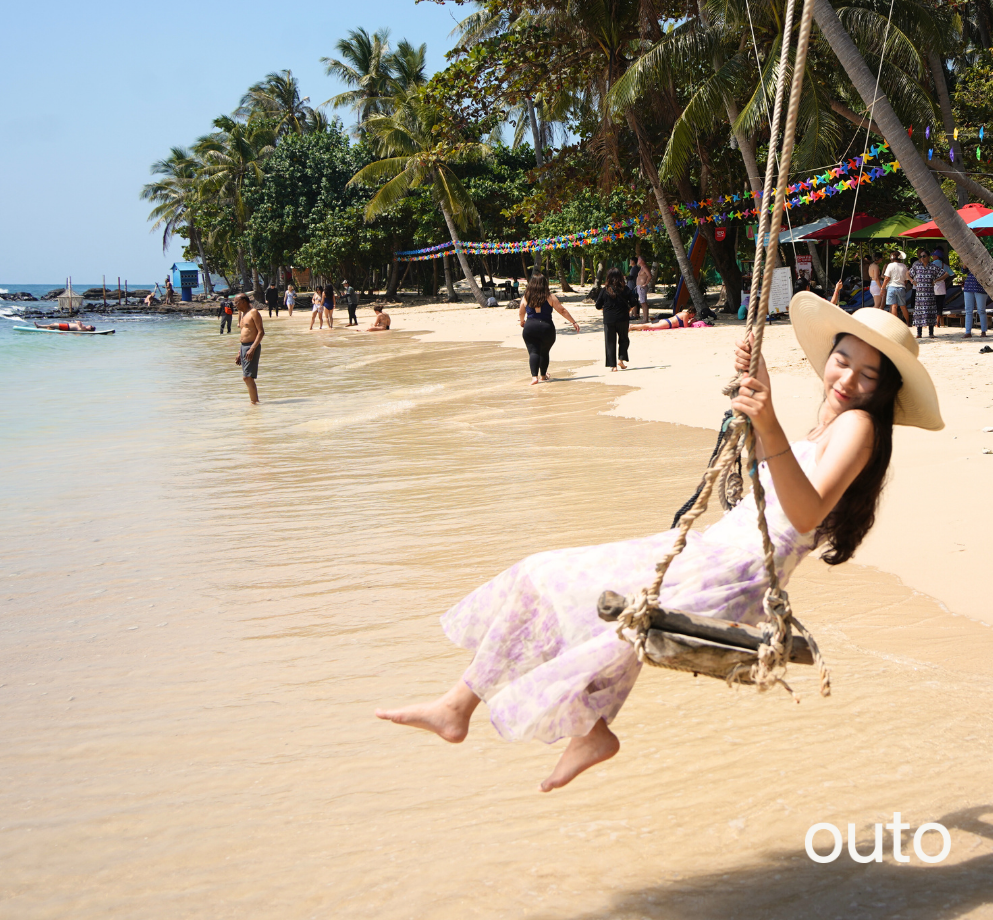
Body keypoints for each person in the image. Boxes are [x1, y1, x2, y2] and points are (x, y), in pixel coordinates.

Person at [375, 295, 942, 791]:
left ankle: (488, 712)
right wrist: (759, 385)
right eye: (843, 361)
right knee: (583, 597)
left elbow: (806, 510)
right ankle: (521, 718)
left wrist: (767, 422)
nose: (847, 380)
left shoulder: (860, 429)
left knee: (549, 578)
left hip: (734, 571)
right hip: (713, 551)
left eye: (867, 376)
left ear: (884, 392)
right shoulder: (828, 421)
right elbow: (785, 478)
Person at [518, 271, 579, 385]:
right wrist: (573, 322)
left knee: (533, 352)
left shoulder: (526, 297)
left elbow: (521, 311)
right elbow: (562, 310)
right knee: (544, 352)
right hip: (546, 327)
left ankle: (534, 378)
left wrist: (522, 322)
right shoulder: (550, 297)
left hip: (530, 326)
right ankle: (543, 376)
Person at [595, 268, 633, 371]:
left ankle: (613, 366)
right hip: (623, 318)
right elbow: (634, 302)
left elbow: (598, 305)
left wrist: (607, 309)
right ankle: (621, 359)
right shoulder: (626, 289)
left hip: (609, 319)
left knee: (610, 342)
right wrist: (628, 310)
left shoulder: (605, 290)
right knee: (624, 339)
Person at [233, 293, 264, 404]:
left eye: (236, 302)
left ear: (243, 302)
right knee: (247, 377)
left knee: (248, 377)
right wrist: (239, 351)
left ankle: (254, 403)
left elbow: (261, 332)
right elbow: (243, 333)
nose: (235, 305)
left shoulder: (253, 313)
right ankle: (254, 402)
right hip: (243, 347)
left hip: (252, 346)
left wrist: (252, 349)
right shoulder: (242, 314)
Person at [908, 249, 944, 339]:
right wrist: (912, 281)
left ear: (928, 257)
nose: (922, 258)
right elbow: (907, 274)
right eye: (921, 256)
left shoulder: (933, 267)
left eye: (924, 256)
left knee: (930, 312)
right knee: (919, 313)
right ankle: (919, 333)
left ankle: (931, 333)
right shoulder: (917, 266)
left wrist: (936, 280)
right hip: (920, 294)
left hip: (929, 293)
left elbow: (945, 273)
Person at [878, 250, 910, 324]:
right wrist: (903, 284)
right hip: (901, 287)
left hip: (891, 287)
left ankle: (895, 324)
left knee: (894, 306)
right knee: (903, 307)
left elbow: (886, 278)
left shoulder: (890, 265)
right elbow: (906, 279)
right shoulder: (904, 266)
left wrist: (882, 288)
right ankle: (908, 322)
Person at [962, 267, 990, 338]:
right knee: (968, 310)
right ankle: (968, 332)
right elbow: (963, 271)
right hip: (969, 287)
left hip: (980, 287)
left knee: (981, 310)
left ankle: (983, 331)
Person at [630, 305, 697, 331]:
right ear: (693, 314)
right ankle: (632, 326)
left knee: (650, 325)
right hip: (668, 323)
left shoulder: (682, 313)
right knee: (649, 326)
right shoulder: (686, 315)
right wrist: (691, 322)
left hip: (666, 321)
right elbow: (686, 327)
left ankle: (634, 327)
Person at [931, 249, 952, 328]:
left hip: (933, 287)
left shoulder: (931, 265)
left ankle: (932, 322)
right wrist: (946, 281)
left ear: (937, 256)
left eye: (933, 255)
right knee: (940, 305)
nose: (932, 257)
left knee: (932, 305)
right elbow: (952, 274)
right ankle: (938, 323)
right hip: (942, 288)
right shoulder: (944, 265)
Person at [634, 255, 652, 322]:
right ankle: (645, 318)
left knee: (643, 303)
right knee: (642, 303)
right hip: (639, 287)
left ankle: (645, 319)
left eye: (639, 259)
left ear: (642, 260)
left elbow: (649, 276)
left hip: (642, 287)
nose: (638, 261)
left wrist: (645, 283)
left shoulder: (644, 267)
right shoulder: (641, 268)